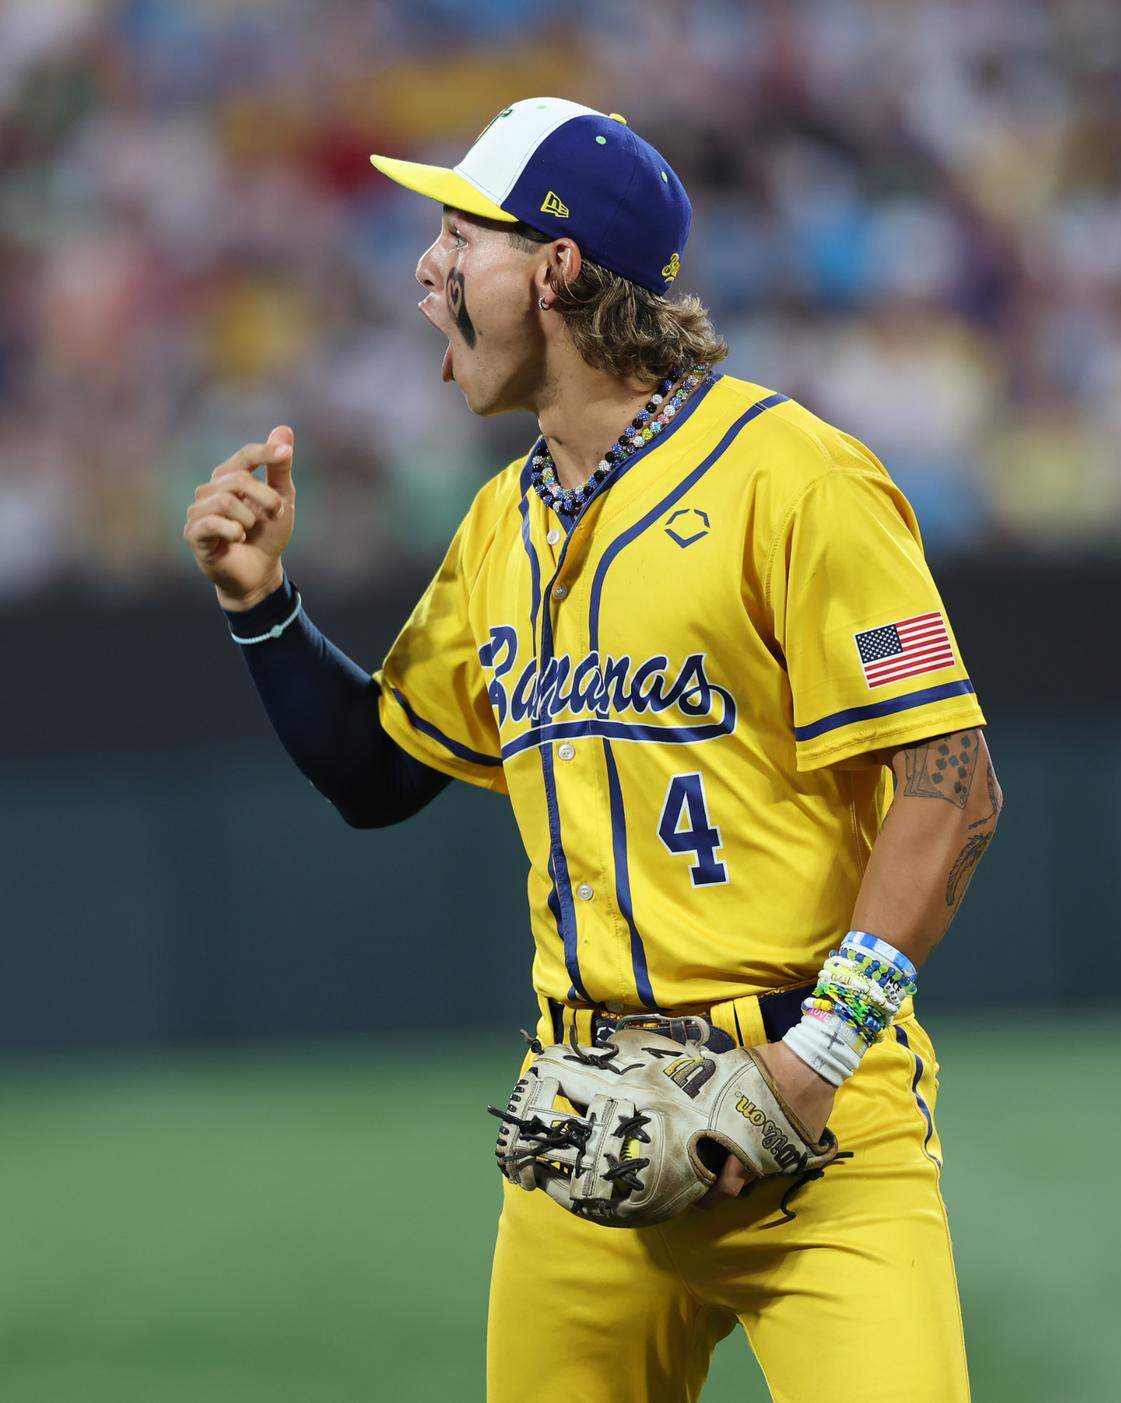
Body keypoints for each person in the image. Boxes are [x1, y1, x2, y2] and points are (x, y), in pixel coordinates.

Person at [183, 98, 1000, 1403]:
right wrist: (259, 605)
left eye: (459, 236)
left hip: (813, 1123)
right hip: (581, 1131)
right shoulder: (505, 524)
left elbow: (953, 782)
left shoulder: (795, 478)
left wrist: (821, 1054)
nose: (424, 269)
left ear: (555, 269)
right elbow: (379, 771)